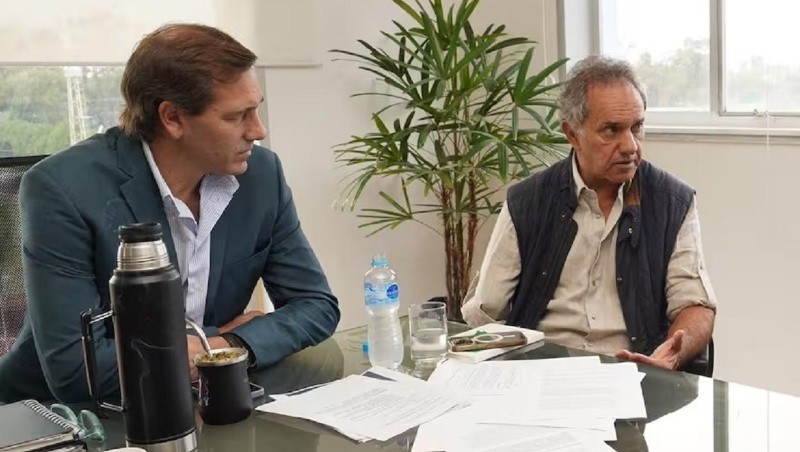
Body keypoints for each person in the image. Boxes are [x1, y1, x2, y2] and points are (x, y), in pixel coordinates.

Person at [0, 23, 340, 403]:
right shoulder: (62, 189)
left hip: (198, 402)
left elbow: (317, 307)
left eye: (255, 109)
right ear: (173, 118)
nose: (257, 131)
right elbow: (79, 371)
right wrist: (213, 346)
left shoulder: (261, 176)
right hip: (64, 416)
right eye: (236, 117)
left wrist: (228, 344)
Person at [461, 55, 716, 371]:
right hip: (542, 373)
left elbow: (696, 306)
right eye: (611, 130)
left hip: (633, 372)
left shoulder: (672, 202)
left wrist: (672, 353)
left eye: (637, 127)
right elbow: (486, 313)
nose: (630, 146)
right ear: (572, 134)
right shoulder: (527, 202)